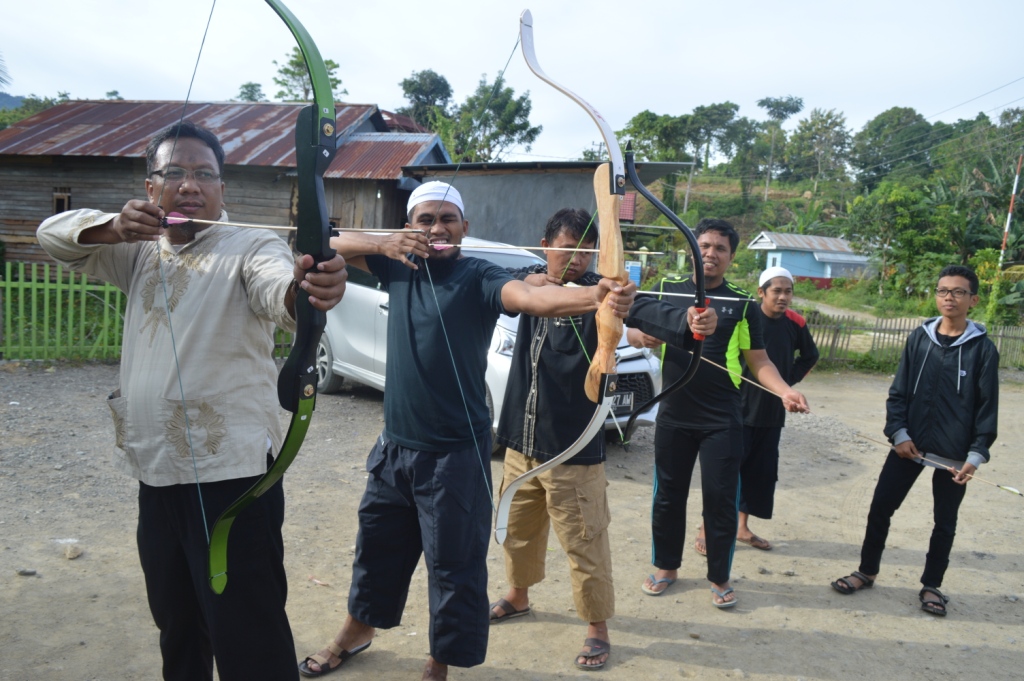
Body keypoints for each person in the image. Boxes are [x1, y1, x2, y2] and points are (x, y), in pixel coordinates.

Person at [36, 121, 349, 681]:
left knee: (247, 634)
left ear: (223, 190)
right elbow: (50, 233)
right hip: (156, 472)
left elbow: (279, 288)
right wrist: (111, 227)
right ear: (150, 187)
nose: (189, 185)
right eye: (174, 172)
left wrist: (307, 293)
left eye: (205, 174)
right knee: (177, 626)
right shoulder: (135, 251)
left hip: (232, 481)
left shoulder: (250, 244)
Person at [298, 184, 636, 680]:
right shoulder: (398, 263)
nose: (437, 228)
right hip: (395, 447)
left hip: (455, 455)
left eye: (448, 219)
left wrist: (596, 294)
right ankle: (357, 630)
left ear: (465, 228)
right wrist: (384, 243)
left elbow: (529, 296)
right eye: (426, 219)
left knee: (454, 567)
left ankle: (440, 660)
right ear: (410, 226)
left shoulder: (478, 274)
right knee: (376, 550)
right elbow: (328, 243)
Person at [488, 208, 716, 672]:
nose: (574, 258)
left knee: (584, 541)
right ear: (544, 245)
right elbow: (496, 281)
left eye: (584, 250)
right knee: (517, 531)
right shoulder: (526, 282)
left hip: (573, 447)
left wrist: (689, 324)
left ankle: (596, 627)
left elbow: (638, 318)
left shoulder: (604, 291)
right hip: (520, 440)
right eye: (565, 248)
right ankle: (518, 594)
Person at [630, 218, 809, 608]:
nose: (710, 253)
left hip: (722, 418)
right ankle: (665, 567)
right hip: (674, 413)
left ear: (731, 256)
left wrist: (784, 390)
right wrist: (638, 335)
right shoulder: (663, 290)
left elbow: (759, 361)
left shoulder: (743, 303)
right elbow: (625, 327)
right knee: (667, 496)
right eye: (704, 245)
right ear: (692, 249)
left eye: (720, 248)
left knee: (721, 497)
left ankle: (720, 576)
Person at [831, 265, 998, 617]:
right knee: (880, 508)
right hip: (910, 447)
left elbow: (987, 407)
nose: (948, 297)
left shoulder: (983, 349)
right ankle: (867, 570)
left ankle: (932, 586)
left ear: (973, 300)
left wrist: (976, 455)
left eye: (957, 292)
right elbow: (898, 394)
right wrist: (899, 434)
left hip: (953, 453)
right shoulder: (920, 339)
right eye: (942, 290)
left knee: (944, 522)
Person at [736, 266, 819, 550]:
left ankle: (741, 527)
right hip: (739, 406)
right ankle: (707, 528)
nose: (783, 297)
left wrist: (786, 383)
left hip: (773, 408)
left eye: (788, 291)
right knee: (727, 470)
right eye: (777, 291)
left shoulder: (795, 323)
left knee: (759, 471)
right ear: (761, 293)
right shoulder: (746, 318)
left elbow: (811, 355)